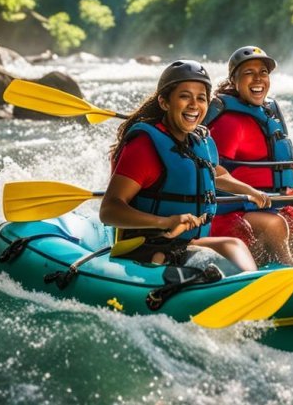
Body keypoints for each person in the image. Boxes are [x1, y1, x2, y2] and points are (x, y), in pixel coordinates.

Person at [99, 60, 269, 271]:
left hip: (185, 244)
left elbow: (215, 173)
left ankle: (249, 287)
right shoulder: (145, 147)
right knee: (231, 245)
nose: (194, 105)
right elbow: (108, 210)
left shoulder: (201, 140)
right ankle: (247, 288)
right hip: (148, 246)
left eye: (201, 98)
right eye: (184, 96)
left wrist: (250, 191)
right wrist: (164, 222)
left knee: (233, 245)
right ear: (164, 102)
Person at [204, 46, 293, 263]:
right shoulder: (229, 123)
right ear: (234, 80)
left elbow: (280, 180)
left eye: (263, 73)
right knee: (274, 226)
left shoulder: (268, 117)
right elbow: (211, 172)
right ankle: (291, 274)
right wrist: (250, 193)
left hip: (270, 206)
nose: (258, 79)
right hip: (229, 213)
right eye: (249, 73)